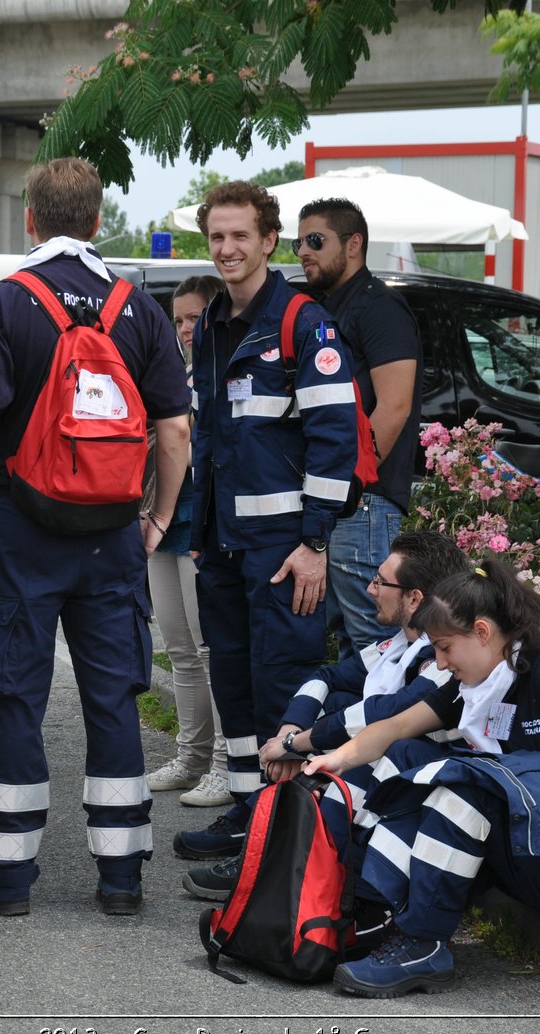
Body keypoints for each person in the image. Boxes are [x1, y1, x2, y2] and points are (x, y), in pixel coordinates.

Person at [0, 157, 192, 916]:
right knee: (113, 698)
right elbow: (176, 431)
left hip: (23, 527)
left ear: (29, 219)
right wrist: (155, 518)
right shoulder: (138, 307)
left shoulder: (3, 305)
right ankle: (121, 878)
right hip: (113, 533)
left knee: (16, 695)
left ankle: (7, 877)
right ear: (96, 222)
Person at [303, 559, 540, 998]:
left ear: (482, 632)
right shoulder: (477, 684)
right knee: (405, 753)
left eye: (444, 648)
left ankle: (423, 944)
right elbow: (395, 727)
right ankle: (359, 907)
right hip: (522, 848)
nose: (439, 663)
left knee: (470, 785)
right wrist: (336, 758)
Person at [173, 180, 361, 865]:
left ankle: (283, 843)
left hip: (284, 552)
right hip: (224, 548)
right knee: (237, 685)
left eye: (239, 236)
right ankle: (250, 816)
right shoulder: (215, 325)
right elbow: (209, 442)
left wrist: (314, 543)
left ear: (268, 240)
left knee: (283, 685)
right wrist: (199, 542)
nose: (227, 248)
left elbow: (336, 436)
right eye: (217, 236)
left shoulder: (301, 322)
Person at [184, 530, 467, 899]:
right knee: (334, 708)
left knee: (354, 745)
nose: (370, 588)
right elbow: (326, 675)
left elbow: (385, 714)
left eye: (382, 581)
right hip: (401, 765)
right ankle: (259, 835)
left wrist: (296, 743)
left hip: (436, 775)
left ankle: (272, 859)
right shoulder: (401, 643)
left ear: (414, 598)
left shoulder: (442, 653)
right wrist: (291, 729)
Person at [295, 198, 421, 655]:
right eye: (298, 242)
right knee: (345, 647)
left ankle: (390, 729)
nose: (303, 252)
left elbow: (394, 406)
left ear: (354, 244)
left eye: (315, 241)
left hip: (362, 501)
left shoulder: (379, 307)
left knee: (375, 646)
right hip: (339, 502)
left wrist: (345, 487)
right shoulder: (320, 308)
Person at [144, 273, 231, 808]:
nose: (185, 329)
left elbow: (205, 447)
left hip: (203, 520)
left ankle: (224, 763)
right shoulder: (173, 372)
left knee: (208, 646)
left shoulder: (223, 372)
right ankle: (192, 756)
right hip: (164, 518)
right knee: (178, 647)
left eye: (195, 318)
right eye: (178, 319)